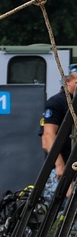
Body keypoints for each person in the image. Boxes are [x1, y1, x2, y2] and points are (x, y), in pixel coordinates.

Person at [39, 70, 77, 202]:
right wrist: (60, 166)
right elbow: (47, 137)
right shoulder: (57, 102)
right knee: (60, 212)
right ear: (68, 82)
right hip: (63, 169)